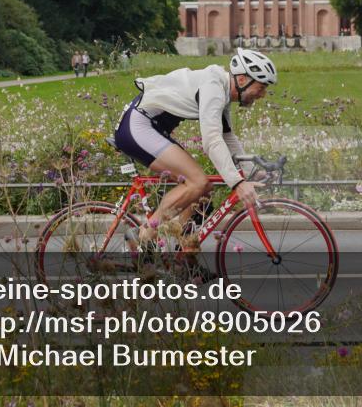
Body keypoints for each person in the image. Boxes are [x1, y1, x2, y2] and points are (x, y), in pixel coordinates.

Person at [112, 48, 276, 261]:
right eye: (261, 87)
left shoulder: (222, 90)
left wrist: (251, 172)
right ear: (243, 79)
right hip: (138, 126)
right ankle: (144, 234)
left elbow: (227, 137)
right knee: (197, 182)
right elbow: (212, 140)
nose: (262, 94)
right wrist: (237, 183)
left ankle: (183, 260)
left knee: (203, 190)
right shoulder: (213, 88)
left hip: (151, 128)